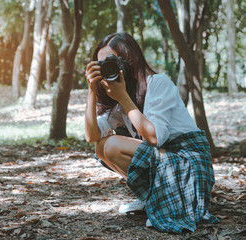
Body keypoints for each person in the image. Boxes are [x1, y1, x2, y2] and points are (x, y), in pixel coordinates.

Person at [84, 32, 218, 234]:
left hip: (190, 167)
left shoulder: (158, 83)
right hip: (169, 163)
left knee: (111, 145)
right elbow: (92, 136)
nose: (106, 69)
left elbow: (155, 138)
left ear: (129, 60)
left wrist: (123, 98)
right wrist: (92, 91)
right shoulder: (123, 99)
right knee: (101, 147)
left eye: (110, 62)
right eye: (100, 65)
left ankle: (167, 201)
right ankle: (153, 198)